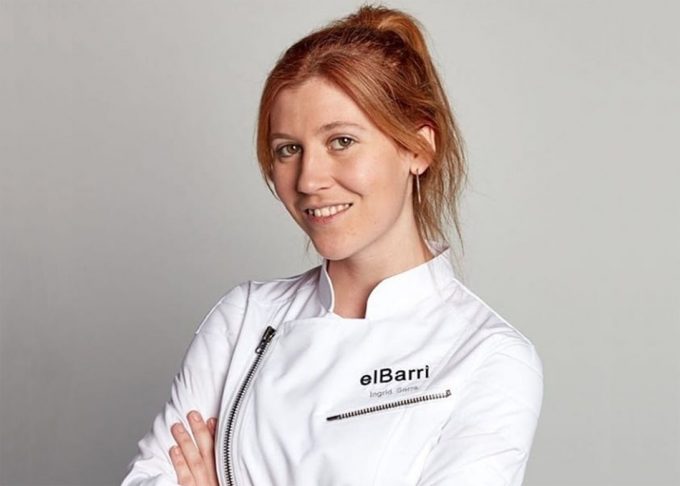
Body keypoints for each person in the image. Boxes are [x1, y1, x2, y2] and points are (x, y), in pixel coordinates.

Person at [121, 4, 543, 486]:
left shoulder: (490, 358)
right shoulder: (243, 319)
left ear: (418, 148)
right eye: (288, 149)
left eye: (341, 141)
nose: (309, 179)